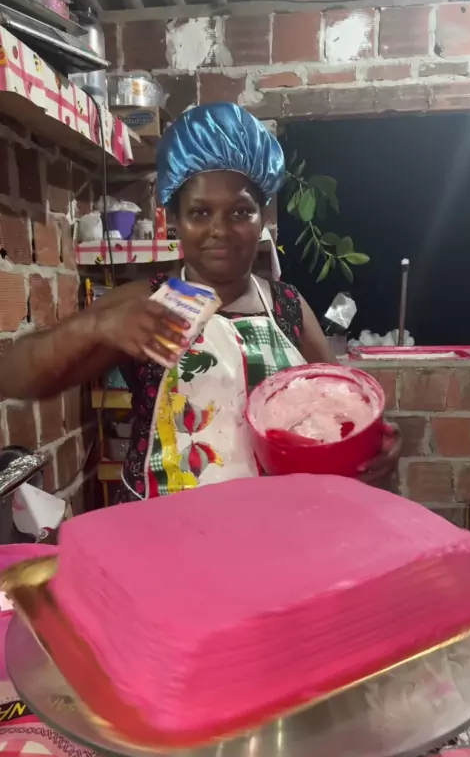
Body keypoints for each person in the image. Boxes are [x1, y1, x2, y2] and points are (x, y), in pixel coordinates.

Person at [0, 103, 400, 500]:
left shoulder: (287, 306)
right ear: (174, 219)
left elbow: (346, 404)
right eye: (200, 212)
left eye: (240, 212)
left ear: (262, 217)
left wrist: (376, 446)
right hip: (163, 529)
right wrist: (95, 326)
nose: (219, 230)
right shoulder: (148, 302)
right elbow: (14, 377)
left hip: (273, 523)